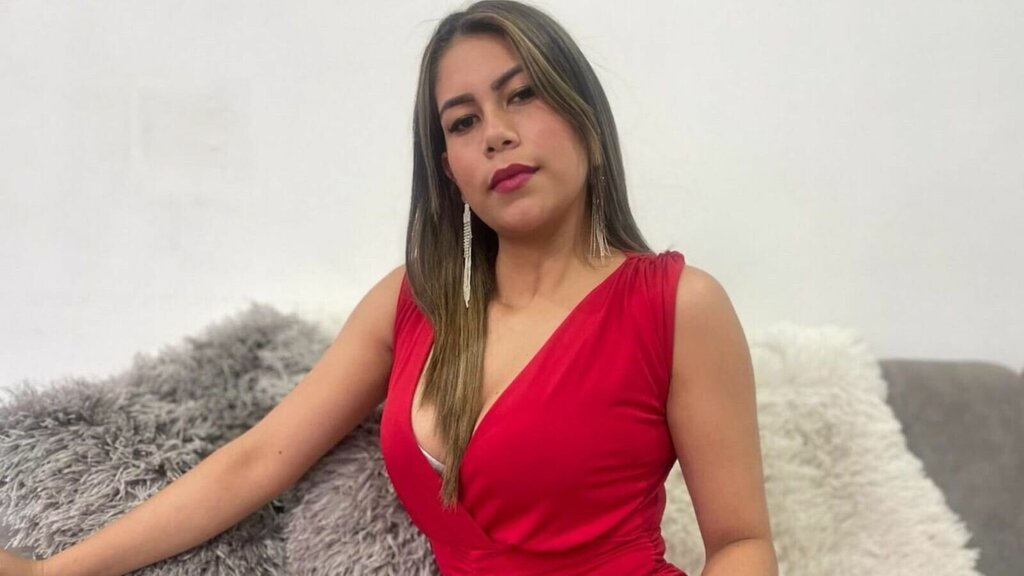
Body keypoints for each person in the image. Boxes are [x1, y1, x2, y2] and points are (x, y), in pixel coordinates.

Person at [0, 1, 777, 574]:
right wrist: (50, 571)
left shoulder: (676, 306)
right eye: (462, 122)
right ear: (449, 169)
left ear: (589, 123)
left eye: (522, 95)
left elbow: (742, 542)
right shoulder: (413, 304)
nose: (496, 133)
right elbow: (259, 461)